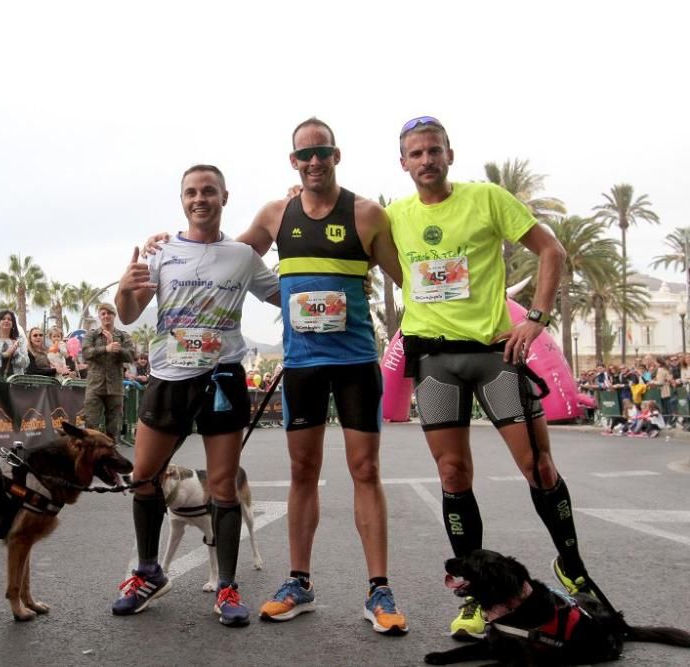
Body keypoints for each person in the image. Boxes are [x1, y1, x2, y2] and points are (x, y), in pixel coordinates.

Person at [166, 118, 405, 633]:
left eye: (323, 152)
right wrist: (172, 250)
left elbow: (408, 279)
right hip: (301, 367)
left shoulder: (368, 214)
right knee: (302, 472)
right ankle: (300, 582)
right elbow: (224, 254)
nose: (314, 161)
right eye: (304, 154)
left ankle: (378, 590)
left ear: (336, 155)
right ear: (293, 161)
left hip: (356, 362)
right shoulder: (277, 214)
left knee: (365, 471)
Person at [385, 115, 594, 639]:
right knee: (453, 476)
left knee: (538, 466)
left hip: (495, 354)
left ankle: (570, 564)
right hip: (435, 363)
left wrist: (537, 319)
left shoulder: (486, 198)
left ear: (449, 155)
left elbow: (552, 249)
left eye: (434, 150)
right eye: (416, 153)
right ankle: (477, 597)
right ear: (403, 162)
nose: (426, 160)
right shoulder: (393, 216)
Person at [111, 164, 279, 627]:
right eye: (191, 192)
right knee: (144, 476)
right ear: (181, 199)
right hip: (168, 379)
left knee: (223, 487)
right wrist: (125, 289)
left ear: (225, 196)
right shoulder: (162, 253)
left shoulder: (243, 255)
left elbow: (286, 296)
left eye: (209, 191)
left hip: (222, 381)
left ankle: (226, 586)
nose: (200, 198)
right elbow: (128, 315)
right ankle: (148, 573)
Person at [81, 304, 135, 442]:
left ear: (114, 316)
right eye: (103, 313)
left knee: (114, 426)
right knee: (91, 425)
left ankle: (111, 455)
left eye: (109, 313)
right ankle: (91, 456)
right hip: (95, 387)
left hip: (115, 388)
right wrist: (106, 348)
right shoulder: (92, 335)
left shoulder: (123, 336)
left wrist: (117, 349)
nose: (106, 316)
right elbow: (86, 353)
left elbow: (131, 355)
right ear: (99, 316)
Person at [0, 310, 28, 376]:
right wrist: (4, 354)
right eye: (3, 319)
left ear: (13, 323)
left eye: (9, 319)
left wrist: (16, 354)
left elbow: (26, 363)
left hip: (15, 381)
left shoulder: (19, 340)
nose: (6, 321)